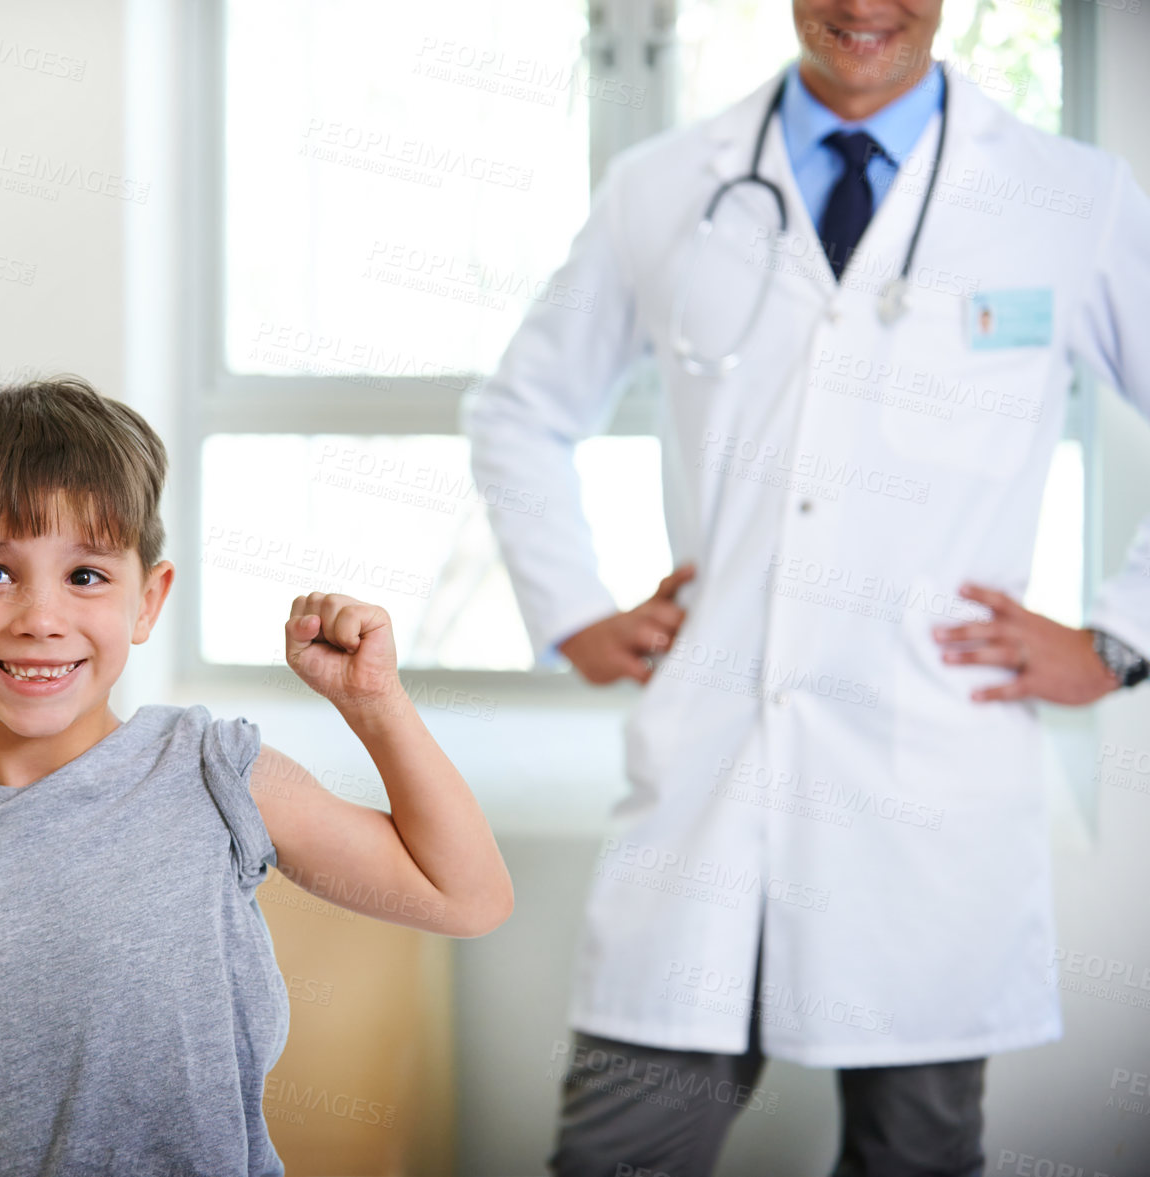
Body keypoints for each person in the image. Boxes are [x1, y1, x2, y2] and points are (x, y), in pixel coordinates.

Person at [464, 1, 1150, 1175]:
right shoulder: (664, 184)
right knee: (614, 1154)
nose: (864, 4)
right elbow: (518, 411)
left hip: (927, 789)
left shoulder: (1068, 198)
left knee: (916, 1159)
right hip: (710, 781)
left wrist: (1120, 637)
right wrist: (571, 607)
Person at [0, 377, 514, 1177]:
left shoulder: (215, 774)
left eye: (85, 575)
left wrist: (375, 703)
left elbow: (468, 897)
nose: (40, 616)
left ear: (148, 600)